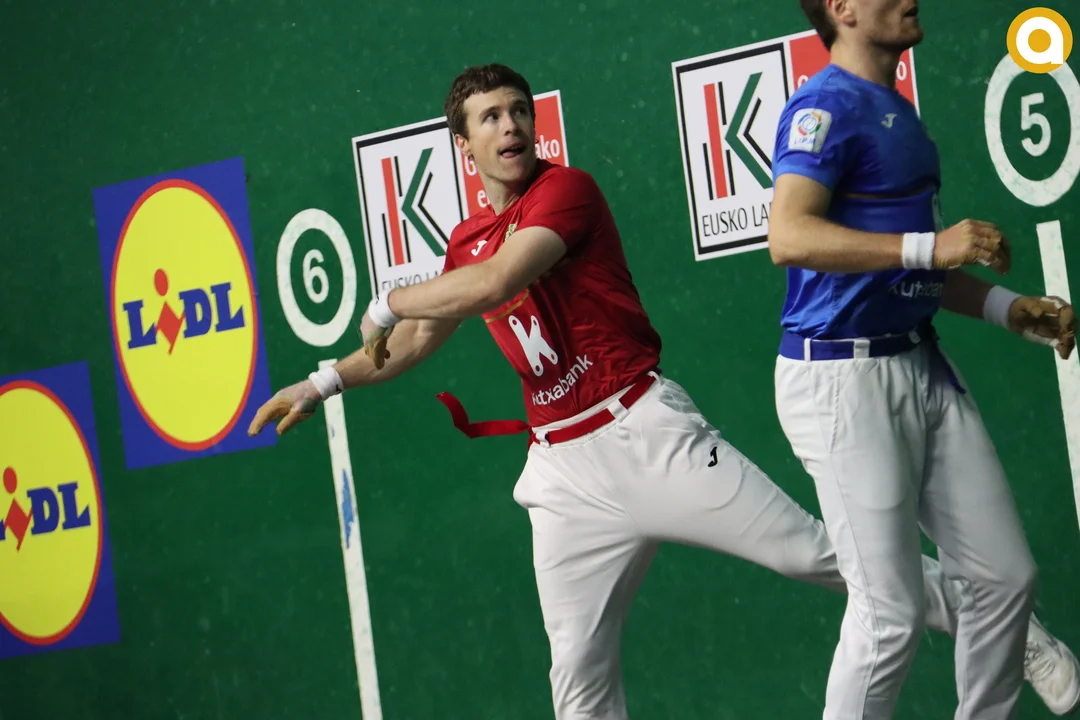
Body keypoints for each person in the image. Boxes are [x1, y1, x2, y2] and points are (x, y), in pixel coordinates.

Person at [249, 63, 1075, 719]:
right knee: (577, 681)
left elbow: (494, 282)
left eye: (518, 111)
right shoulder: (464, 241)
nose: (510, 126)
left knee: (813, 554)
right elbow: (416, 340)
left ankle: (1012, 631)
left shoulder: (564, 193)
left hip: (644, 433)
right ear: (464, 147)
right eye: (489, 118)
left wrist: (388, 297)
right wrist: (322, 382)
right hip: (563, 474)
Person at [768, 1, 1080, 718]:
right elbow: (788, 235)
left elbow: (916, 268)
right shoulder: (823, 107)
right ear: (842, 9)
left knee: (1004, 578)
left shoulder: (899, 115)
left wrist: (1008, 309)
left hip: (919, 365)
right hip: (840, 378)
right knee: (889, 618)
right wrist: (930, 247)